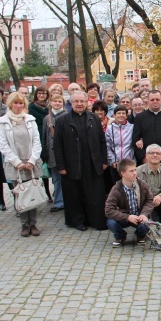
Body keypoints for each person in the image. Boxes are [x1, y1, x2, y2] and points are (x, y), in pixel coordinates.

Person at [54, 91, 108, 231]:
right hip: (73, 164)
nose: (79, 104)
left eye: (82, 101)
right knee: (75, 195)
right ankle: (78, 221)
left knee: (94, 194)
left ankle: (96, 220)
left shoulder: (94, 118)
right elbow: (58, 145)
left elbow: (102, 141)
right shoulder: (62, 120)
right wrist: (61, 166)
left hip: (93, 163)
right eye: (76, 101)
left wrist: (103, 160)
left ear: (87, 103)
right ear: (71, 103)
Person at [0, 92, 44, 237]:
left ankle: (33, 223)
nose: (18, 106)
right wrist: (16, 162)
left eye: (21, 103)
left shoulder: (30, 119)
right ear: (10, 104)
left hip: (30, 161)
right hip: (15, 164)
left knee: (32, 191)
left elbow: (37, 141)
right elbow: (3, 145)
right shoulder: (3, 122)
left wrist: (32, 160)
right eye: (15, 103)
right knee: (21, 193)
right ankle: (24, 224)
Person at [104, 159, 153, 248]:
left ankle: (140, 235)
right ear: (122, 173)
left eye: (135, 170)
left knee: (146, 223)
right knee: (111, 223)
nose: (135, 173)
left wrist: (144, 214)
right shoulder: (116, 189)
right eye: (131, 171)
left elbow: (149, 200)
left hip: (139, 215)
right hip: (123, 216)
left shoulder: (142, 184)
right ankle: (120, 236)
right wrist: (127, 217)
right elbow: (108, 210)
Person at [28, 86, 54, 202]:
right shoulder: (32, 107)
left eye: (44, 93)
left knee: (48, 166)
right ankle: (44, 193)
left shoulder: (49, 106)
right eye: (40, 93)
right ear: (36, 94)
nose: (42, 96)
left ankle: (51, 193)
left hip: (48, 136)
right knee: (40, 166)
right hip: (36, 135)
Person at [41, 93, 66, 213]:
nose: (57, 103)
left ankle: (68, 201)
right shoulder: (47, 118)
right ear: (50, 103)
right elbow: (44, 136)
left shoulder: (67, 116)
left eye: (60, 101)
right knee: (56, 179)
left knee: (67, 179)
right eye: (55, 101)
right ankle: (59, 202)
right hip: (52, 154)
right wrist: (45, 153)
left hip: (66, 153)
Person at [106, 106, 135, 186]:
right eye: (118, 113)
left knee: (130, 184)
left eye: (123, 113)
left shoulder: (132, 127)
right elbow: (108, 146)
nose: (121, 115)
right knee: (117, 185)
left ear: (126, 115)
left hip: (129, 161)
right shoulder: (109, 128)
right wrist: (113, 160)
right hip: (116, 163)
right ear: (114, 115)